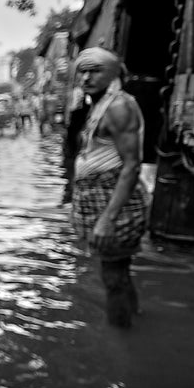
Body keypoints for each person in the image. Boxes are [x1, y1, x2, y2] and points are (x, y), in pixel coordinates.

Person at [70, 47, 148, 328]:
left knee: (113, 278)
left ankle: (122, 346)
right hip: (101, 200)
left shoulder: (118, 106)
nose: (87, 77)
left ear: (113, 73)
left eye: (95, 71)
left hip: (114, 204)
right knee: (119, 273)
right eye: (83, 71)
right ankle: (135, 323)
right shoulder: (100, 104)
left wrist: (107, 219)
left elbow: (132, 166)